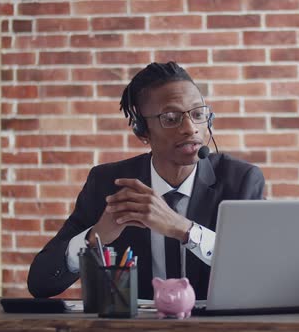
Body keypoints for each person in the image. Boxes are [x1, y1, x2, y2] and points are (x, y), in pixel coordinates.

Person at [27, 61, 265, 300]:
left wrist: (184, 230)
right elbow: (40, 283)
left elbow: (258, 269)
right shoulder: (109, 184)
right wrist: (94, 237)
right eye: (171, 118)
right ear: (142, 132)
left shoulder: (241, 181)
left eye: (198, 114)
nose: (190, 128)